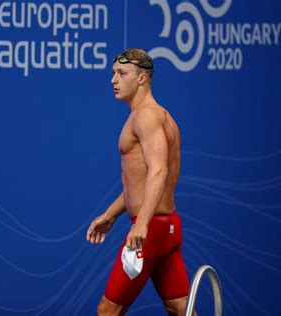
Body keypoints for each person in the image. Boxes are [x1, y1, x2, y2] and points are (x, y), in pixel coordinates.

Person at [86, 48, 191, 316]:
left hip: (150, 230)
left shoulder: (145, 116)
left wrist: (141, 223)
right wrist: (111, 214)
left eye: (122, 73)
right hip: (167, 228)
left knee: (107, 312)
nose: (114, 80)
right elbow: (142, 182)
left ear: (142, 78)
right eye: (113, 73)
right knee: (180, 308)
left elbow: (159, 171)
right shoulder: (163, 117)